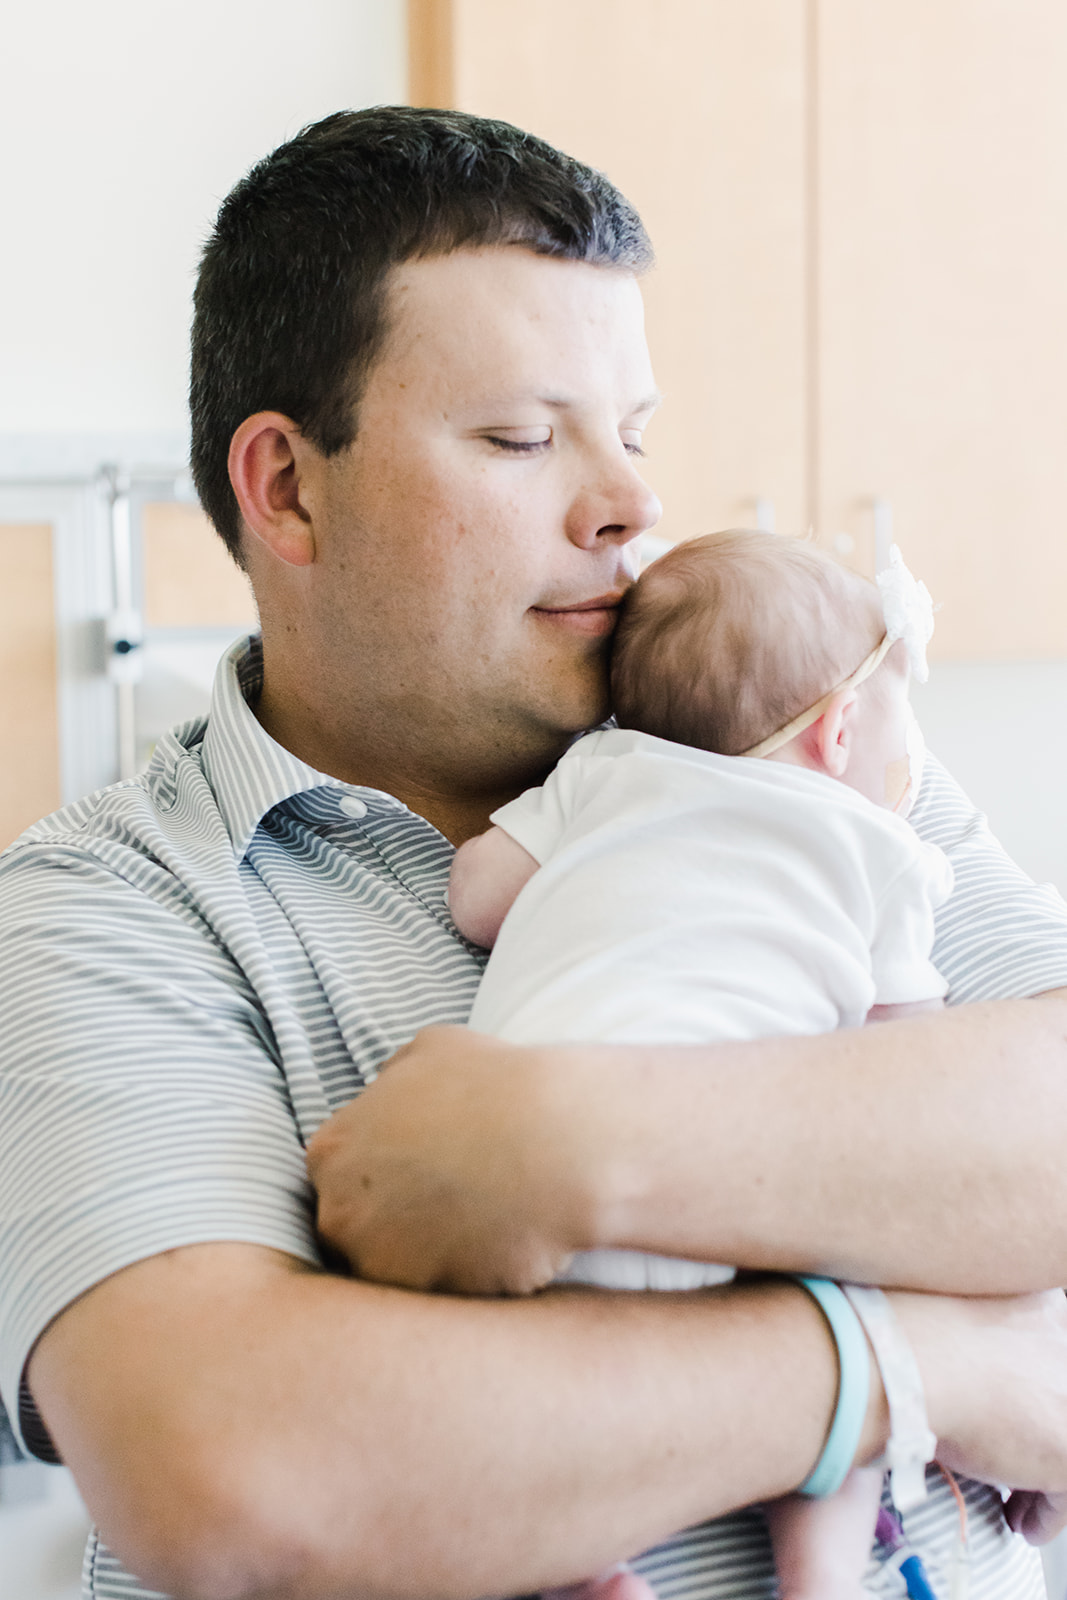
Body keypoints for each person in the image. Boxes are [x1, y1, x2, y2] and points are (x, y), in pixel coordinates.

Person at [4, 107, 1067, 1600]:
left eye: (631, 434)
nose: (630, 504)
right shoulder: (103, 912)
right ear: (288, 487)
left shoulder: (783, 739)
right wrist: (926, 1356)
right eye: (521, 437)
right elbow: (243, 1471)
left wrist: (555, 1146)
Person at [449, 529, 951, 1600]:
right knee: (854, 1342)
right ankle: (816, 1575)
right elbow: (920, 1077)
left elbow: (474, 898)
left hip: (532, 1183)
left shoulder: (601, 770)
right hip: (735, 1199)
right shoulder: (880, 852)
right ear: (840, 730)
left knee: (515, 1395)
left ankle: (577, 1566)